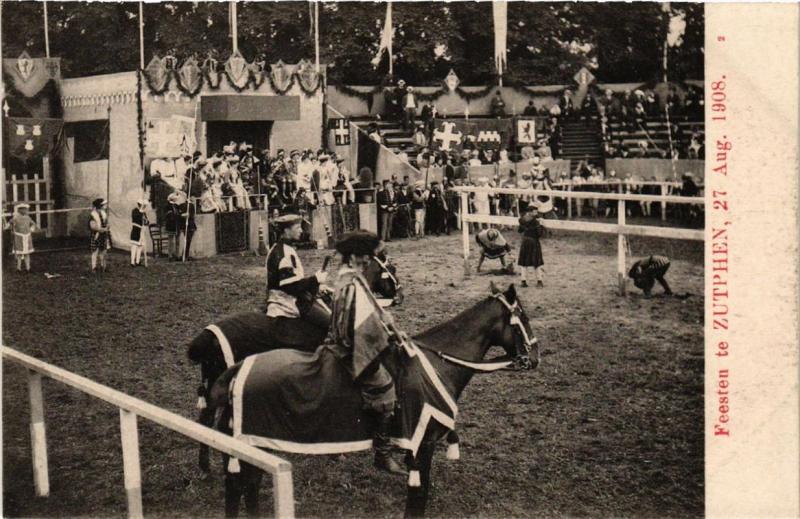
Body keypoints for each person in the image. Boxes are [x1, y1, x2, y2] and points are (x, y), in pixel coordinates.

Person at [327, 230, 407, 476]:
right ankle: (382, 454)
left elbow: (372, 309)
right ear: (352, 258)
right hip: (349, 349)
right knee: (385, 387)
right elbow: (363, 323)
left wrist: (392, 329)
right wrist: (387, 336)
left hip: (338, 341)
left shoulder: (349, 277)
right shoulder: (352, 282)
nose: (368, 262)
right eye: (364, 258)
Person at [517, 206, 544, 288]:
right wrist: (541, 225)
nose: (536, 213)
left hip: (525, 241)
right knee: (536, 262)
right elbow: (539, 234)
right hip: (533, 242)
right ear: (530, 212)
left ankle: (523, 281)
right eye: (535, 211)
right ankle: (539, 281)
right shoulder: (536, 222)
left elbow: (519, 231)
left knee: (523, 262)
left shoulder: (522, 219)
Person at [5, 203, 36, 272]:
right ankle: (18, 268)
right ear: (20, 210)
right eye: (24, 209)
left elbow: (33, 224)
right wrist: (7, 228)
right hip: (19, 237)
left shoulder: (28, 217)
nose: (26, 211)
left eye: (26, 209)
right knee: (19, 254)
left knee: (27, 253)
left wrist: (31, 229)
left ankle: (28, 268)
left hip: (27, 237)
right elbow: (9, 224)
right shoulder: (15, 218)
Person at [89, 198, 112, 273]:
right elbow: (93, 226)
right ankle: (94, 267)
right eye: (104, 204)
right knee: (95, 251)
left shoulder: (104, 213)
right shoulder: (93, 214)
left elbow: (106, 223)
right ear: (100, 205)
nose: (105, 205)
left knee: (103, 251)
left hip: (103, 235)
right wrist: (102, 229)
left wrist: (107, 226)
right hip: (96, 235)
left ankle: (103, 266)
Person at [129, 198, 149, 267]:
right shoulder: (135, 211)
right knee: (134, 246)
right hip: (136, 230)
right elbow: (136, 218)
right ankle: (132, 262)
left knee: (140, 246)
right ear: (140, 204)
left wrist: (146, 221)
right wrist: (141, 213)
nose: (145, 207)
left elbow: (147, 221)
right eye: (144, 205)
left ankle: (137, 261)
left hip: (142, 231)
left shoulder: (143, 212)